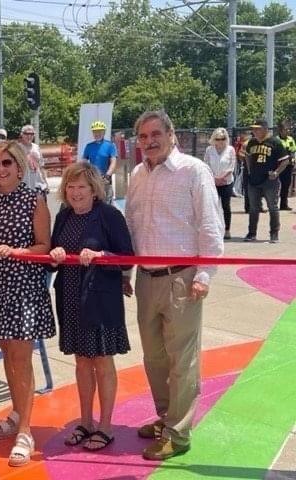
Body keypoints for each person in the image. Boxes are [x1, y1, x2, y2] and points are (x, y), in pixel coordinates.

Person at [125, 110, 224, 461]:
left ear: (171, 134)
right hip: (147, 280)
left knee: (182, 359)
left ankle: (178, 433)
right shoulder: (137, 174)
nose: (149, 141)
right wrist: (126, 270)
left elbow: (210, 226)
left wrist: (203, 275)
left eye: (155, 134)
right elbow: (132, 223)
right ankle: (166, 417)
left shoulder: (193, 171)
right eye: (143, 136)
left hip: (182, 279)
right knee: (153, 357)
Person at [0, 141, 55, 467]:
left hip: (22, 285)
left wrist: (18, 252)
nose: (1, 169)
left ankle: (25, 431)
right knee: (7, 355)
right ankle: (17, 411)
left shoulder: (34, 200)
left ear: (20, 167)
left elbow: (44, 246)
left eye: (7, 163)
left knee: (21, 358)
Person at [49, 163, 133, 451]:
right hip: (70, 297)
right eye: (70, 187)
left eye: (81, 187)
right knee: (81, 362)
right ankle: (85, 421)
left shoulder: (109, 215)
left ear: (94, 188)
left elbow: (127, 257)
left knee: (101, 361)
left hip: (101, 299)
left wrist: (100, 254)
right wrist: (55, 254)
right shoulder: (63, 216)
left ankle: (106, 426)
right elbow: (51, 254)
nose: (75, 193)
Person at [244, 118, 289, 243]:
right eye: (254, 129)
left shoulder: (275, 142)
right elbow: (247, 156)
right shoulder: (252, 143)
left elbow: (285, 160)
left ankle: (274, 234)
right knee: (253, 208)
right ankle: (251, 233)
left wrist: (276, 172)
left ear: (265, 129)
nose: (254, 131)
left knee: (272, 207)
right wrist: (249, 170)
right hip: (254, 180)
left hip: (270, 181)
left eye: (257, 129)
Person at [204, 128, 236, 240]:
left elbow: (232, 166)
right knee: (212, 206)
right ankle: (214, 229)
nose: (220, 141)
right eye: (218, 139)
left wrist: (222, 177)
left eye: (223, 138)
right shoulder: (209, 150)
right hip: (212, 182)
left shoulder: (230, 150)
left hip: (226, 182)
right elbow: (206, 165)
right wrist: (214, 178)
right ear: (214, 139)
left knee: (226, 206)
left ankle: (227, 230)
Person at [82, 121, 117, 204]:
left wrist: (108, 174)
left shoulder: (110, 145)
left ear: (104, 132)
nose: (97, 133)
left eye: (100, 131)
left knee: (106, 202)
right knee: (92, 202)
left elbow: (113, 161)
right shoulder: (89, 146)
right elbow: (84, 162)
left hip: (105, 178)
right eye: (95, 132)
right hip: (93, 178)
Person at [18, 124, 48, 193]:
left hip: (38, 185)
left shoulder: (36, 147)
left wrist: (46, 183)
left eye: (31, 134)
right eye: (26, 134)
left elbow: (41, 167)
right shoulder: (17, 148)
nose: (29, 136)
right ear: (22, 134)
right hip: (23, 186)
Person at [277, 120, 296, 211]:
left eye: (289, 129)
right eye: (286, 129)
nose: (288, 131)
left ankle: (283, 204)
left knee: (286, 185)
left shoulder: (290, 139)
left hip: (288, 165)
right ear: (280, 130)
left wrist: (292, 160)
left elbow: (293, 150)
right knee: (275, 186)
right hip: (278, 166)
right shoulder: (276, 140)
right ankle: (273, 204)